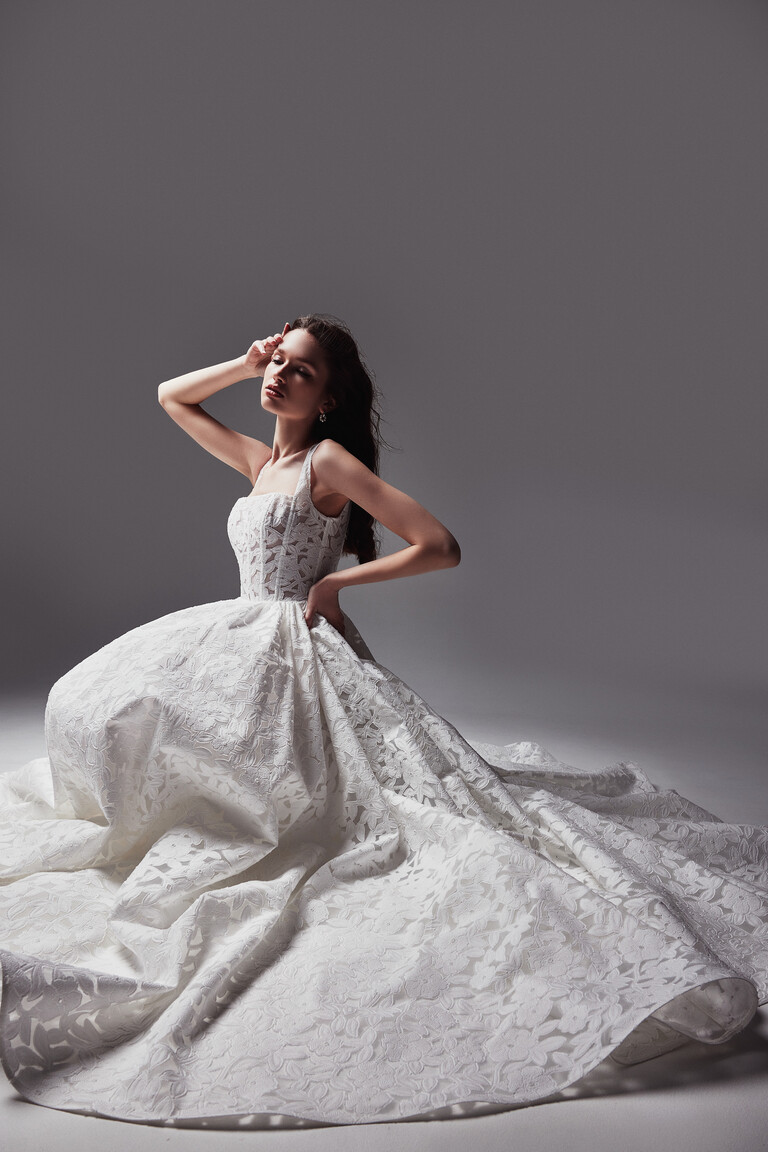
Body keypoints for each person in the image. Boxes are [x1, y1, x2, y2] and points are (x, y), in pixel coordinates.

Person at [0, 313, 766, 1128]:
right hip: (235, 640)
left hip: (294, 648)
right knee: (107, 710)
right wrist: (243, 359)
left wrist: (334, 590)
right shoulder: (262, 463)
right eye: (278, 364)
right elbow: (171, 398)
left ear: (327, 398)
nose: (278, 378)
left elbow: (439, 544)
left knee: (333, 810)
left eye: (298, 370)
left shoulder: (327, 461)